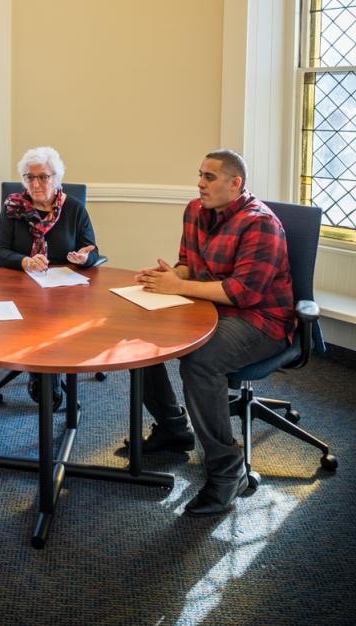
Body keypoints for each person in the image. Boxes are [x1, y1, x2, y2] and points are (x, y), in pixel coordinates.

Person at [131, 149, 295, 516]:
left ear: (235, 183)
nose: (200, 183)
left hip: (261, 320)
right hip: (209, 308)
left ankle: (228, 472)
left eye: (209, 177)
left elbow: (243, 293)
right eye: (200, 175)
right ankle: (174, 429)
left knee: (200, 360)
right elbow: (189, 265)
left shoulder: (260, 224)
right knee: (139, 334)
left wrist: (177, 288)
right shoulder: (195, 210)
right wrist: (168, 278)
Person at [0, 145, 100, 409]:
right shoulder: (13, 208)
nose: (37, 183)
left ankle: (45, 374)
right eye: (30, 177)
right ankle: (41, 373)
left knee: (54, 325)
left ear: (56, 178)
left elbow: (92, 250)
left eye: (44, 176)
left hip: (64, 288)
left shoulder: (73, 209)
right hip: (21, 286)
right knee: (33, 325)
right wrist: (25, 261)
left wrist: (85, 258)